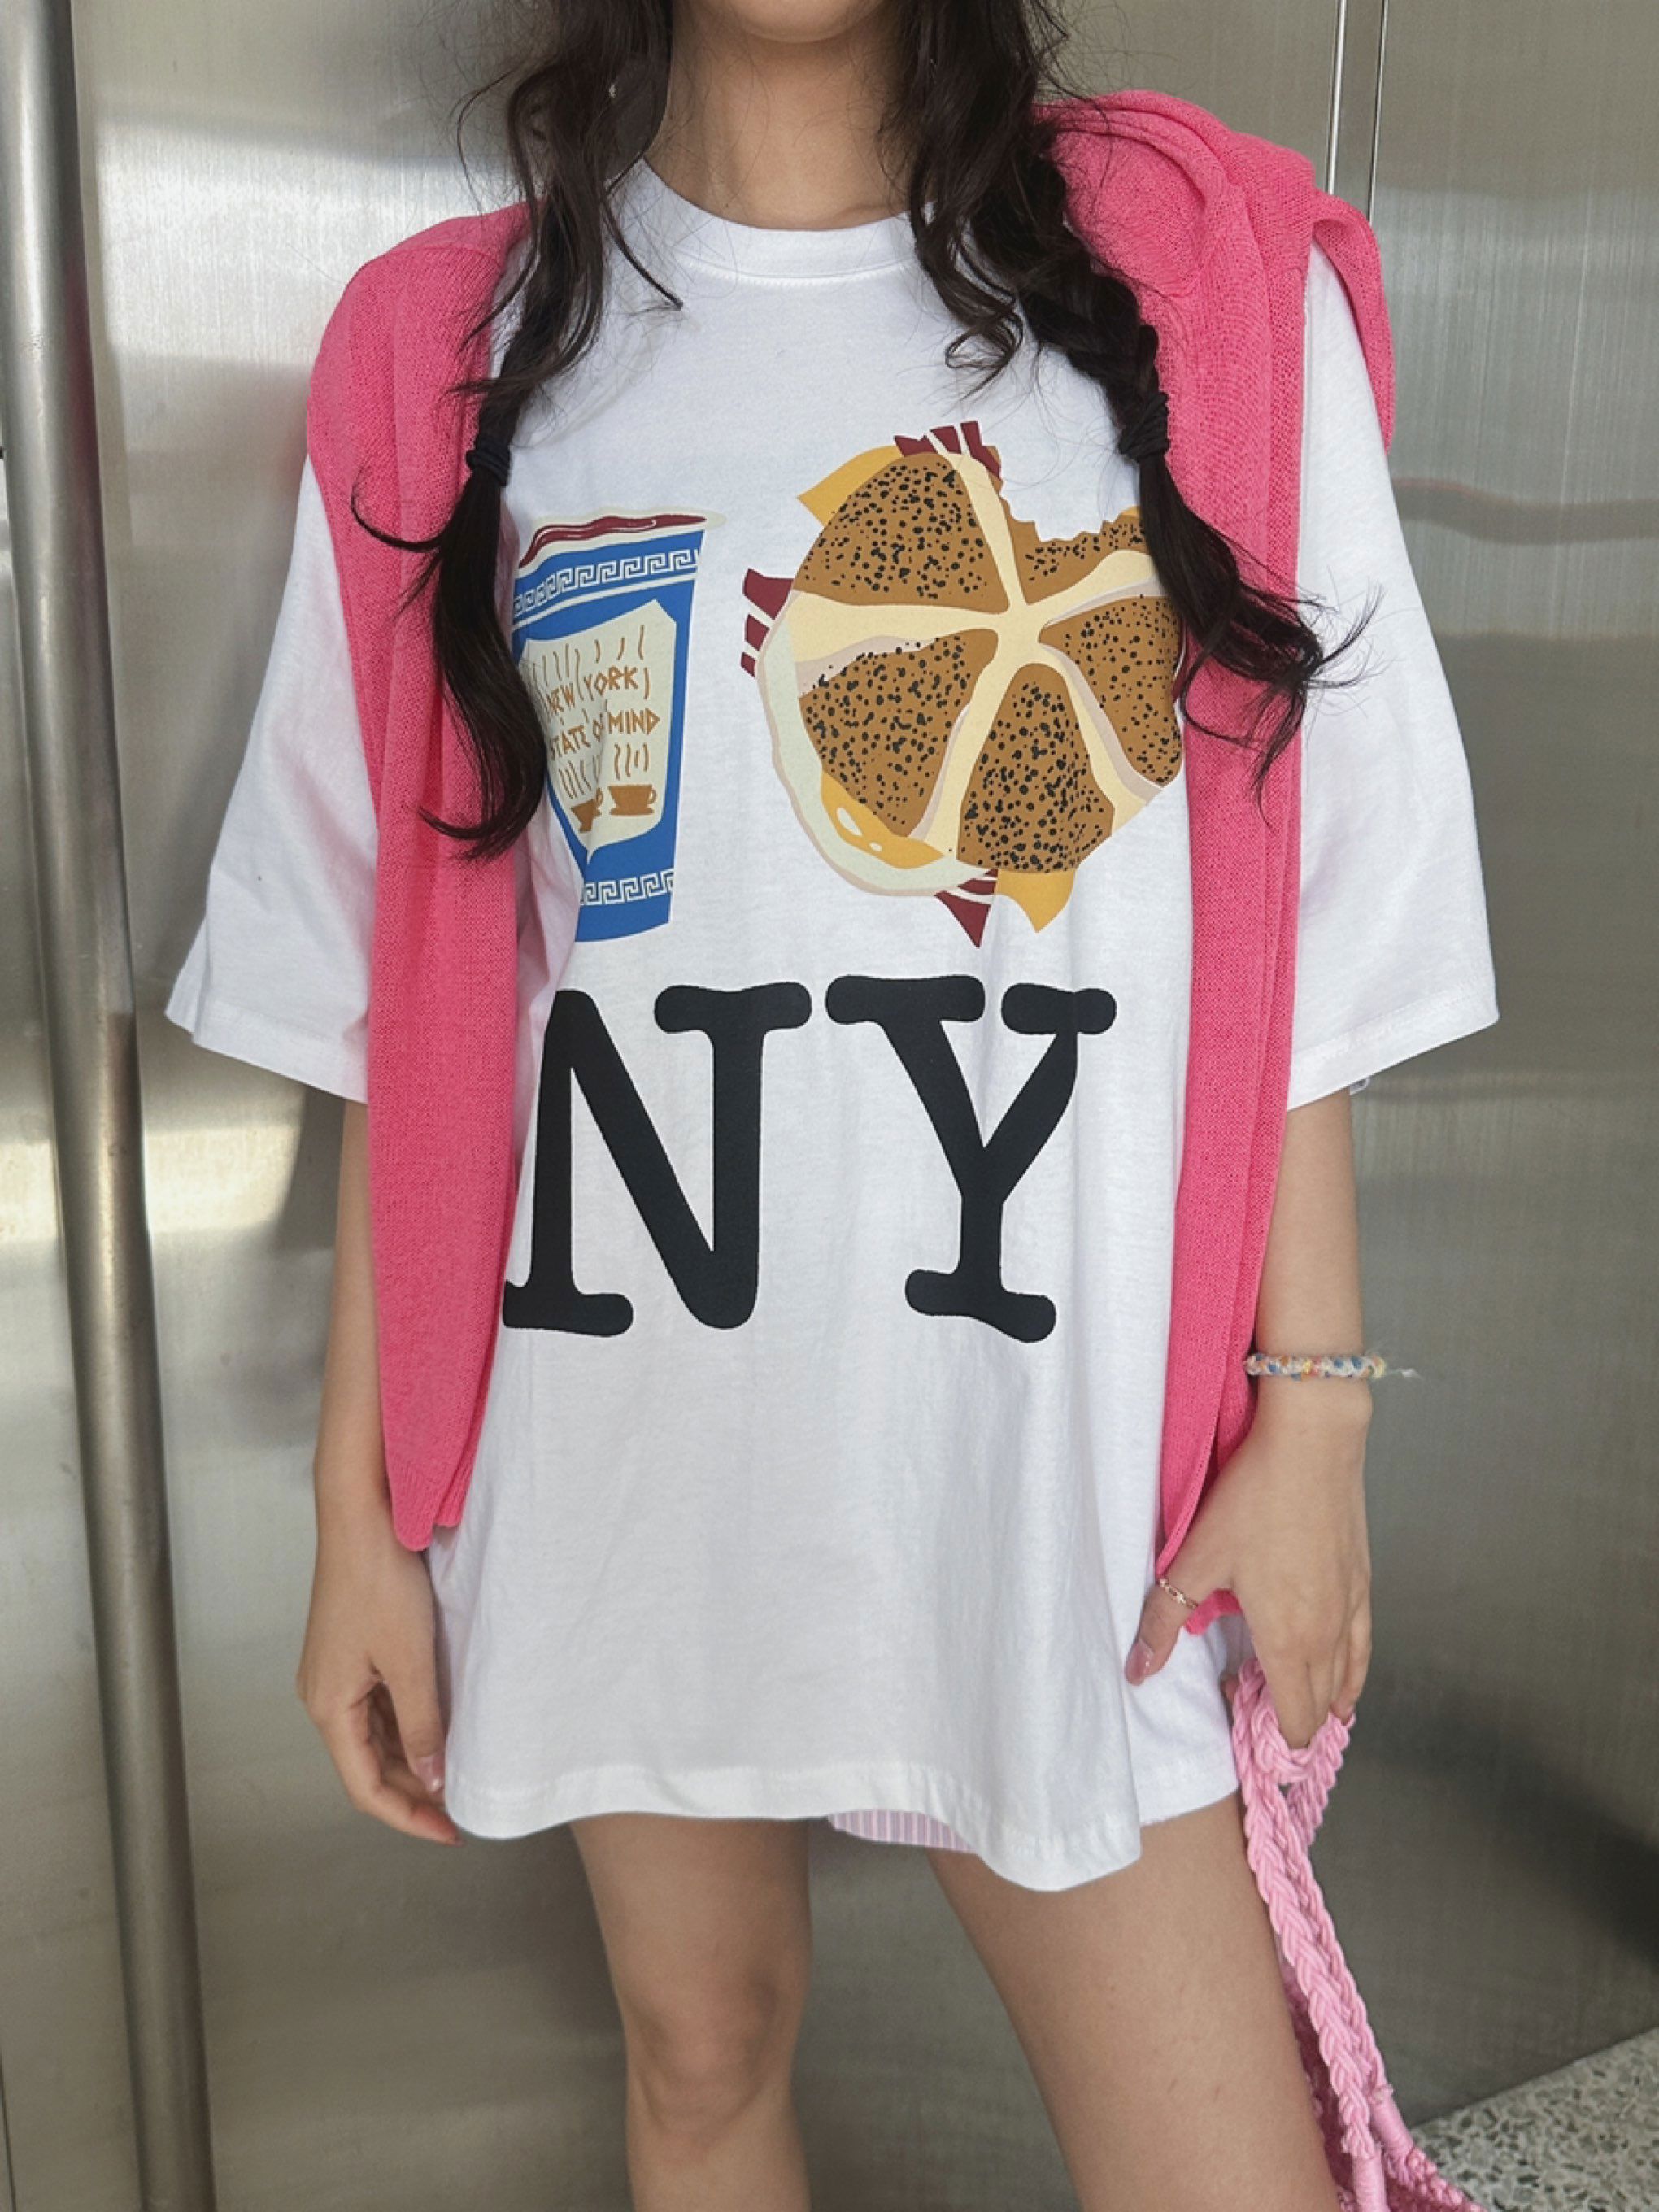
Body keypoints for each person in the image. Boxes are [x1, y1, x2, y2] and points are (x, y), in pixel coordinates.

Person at [167, 2, 1498, 2205]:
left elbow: (1304, 902)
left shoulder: (1194, 294)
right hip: (620, 1427)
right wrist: (357, 1515)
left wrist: (1320, 1416)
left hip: (1051, 1459)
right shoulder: (447, 355)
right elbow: (415, 998)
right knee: (700, 2052)